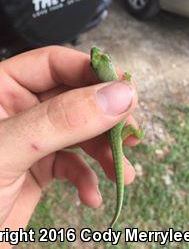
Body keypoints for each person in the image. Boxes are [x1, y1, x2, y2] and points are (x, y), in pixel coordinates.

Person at [0, 46, 139, 237]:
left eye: (99, 58)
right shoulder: (117, 82)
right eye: (97, 60)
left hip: (114, 132)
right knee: (124, 140)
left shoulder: (109, 84)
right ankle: (137, 135)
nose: (95, 54)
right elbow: (126, 80)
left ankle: (136, 134)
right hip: (115, 132)